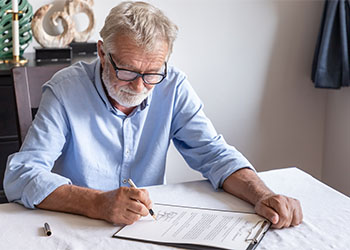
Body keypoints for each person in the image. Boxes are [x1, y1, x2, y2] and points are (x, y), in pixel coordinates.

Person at [4, 1, 302, 228]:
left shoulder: (173, 85)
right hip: (75, 226)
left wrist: (262, 195)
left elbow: (214, 155)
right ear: (101, 53)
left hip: (144, 229)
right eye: (127, 71)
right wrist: (97, 203)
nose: (138, 85)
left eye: (152, 74)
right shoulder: (65, 90)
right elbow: (20, 176)